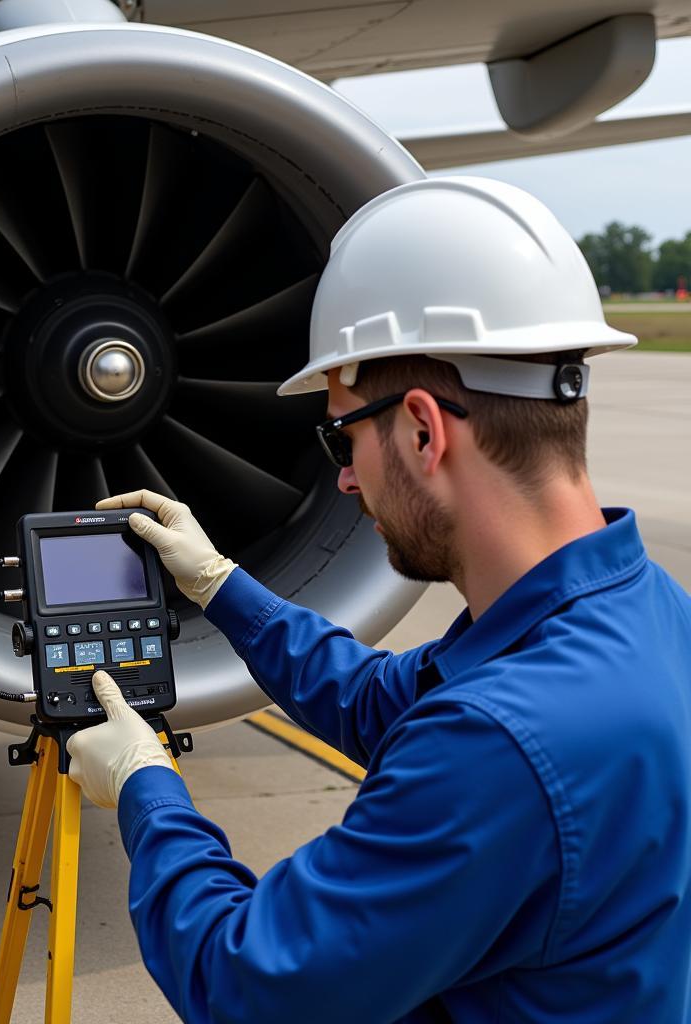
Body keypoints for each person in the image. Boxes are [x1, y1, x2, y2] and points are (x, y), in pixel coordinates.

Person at [66, 177, 691, 1023]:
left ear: (425, 429)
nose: (346, 475)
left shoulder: (499, 743)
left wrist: (147, 789)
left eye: (344, 433)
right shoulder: (645, 613)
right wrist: (218, 583)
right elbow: (382, 701)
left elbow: (245, 984)